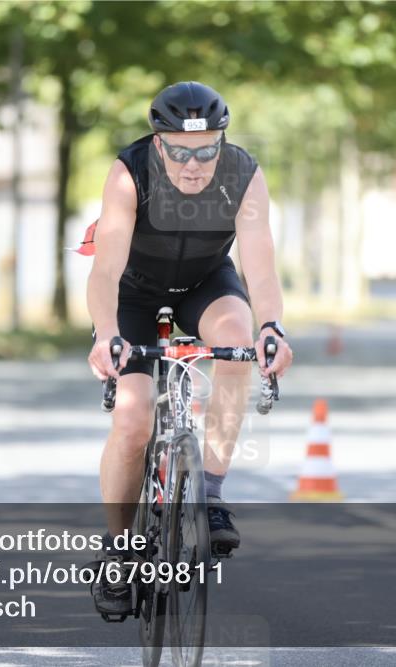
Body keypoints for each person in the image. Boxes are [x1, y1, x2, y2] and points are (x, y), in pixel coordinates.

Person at [85, 81, 294, 614]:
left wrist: (273, 328)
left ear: (222, 142)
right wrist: (105, 332)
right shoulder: (128, 174)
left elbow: (260, 264)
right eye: (180, 151)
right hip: (133, 292)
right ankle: (117, 548)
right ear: (159, 144)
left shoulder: (243, 175)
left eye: (206, 150)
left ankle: (212, 495)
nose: (194, 164)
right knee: (132, 418)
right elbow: (105, 268)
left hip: (205, 282)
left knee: (237, 343)